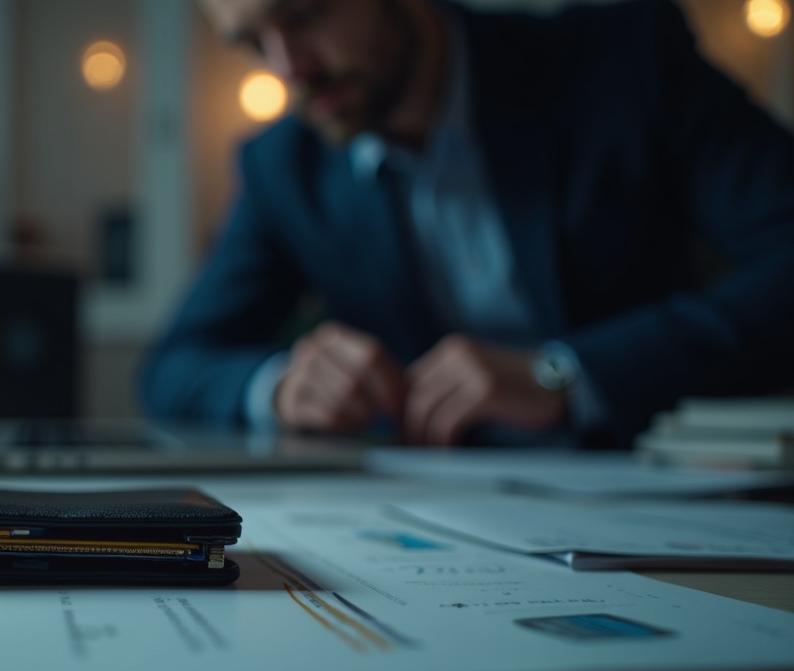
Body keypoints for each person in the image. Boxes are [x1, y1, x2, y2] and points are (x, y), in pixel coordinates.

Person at [139, 0, 794, 448]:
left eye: (306, 13)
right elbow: (174, 367)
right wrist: (280, 389)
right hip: (432, 530)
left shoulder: (623, 63)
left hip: (668, 489)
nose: (288, 70)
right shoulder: (285, 166)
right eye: (253, 41)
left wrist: (569, 375)